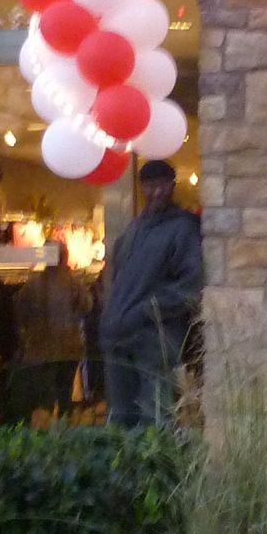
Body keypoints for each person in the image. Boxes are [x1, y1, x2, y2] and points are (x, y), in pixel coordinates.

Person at [99, 159, 203, 426]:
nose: (158, 191)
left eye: (164, 185)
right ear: (142, 187)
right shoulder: (133, 229)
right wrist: (111, 319)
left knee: (155, 420)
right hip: (118, 338)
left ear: (172, 186)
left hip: (155, 341)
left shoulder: (183, 228)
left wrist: (146, 311)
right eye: (151, 185)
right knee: (120, 418)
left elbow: (191, 285)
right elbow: (118, 280)